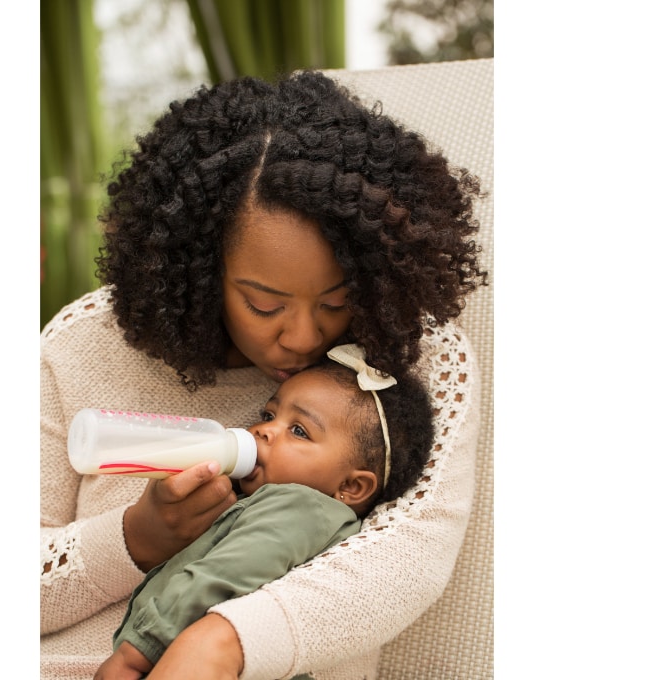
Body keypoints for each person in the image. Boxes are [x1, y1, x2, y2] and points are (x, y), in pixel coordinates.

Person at [40, 69, 487, 680]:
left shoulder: (411, 363)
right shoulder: (81, 346)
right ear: (198, 270)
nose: (305, 338)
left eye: (336, 302)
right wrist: (134, 539)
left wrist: (217, 644)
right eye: (265, 305)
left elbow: (405, 559)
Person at [94, 345, 434, 680]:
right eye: (270, 415)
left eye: (299, 431)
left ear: (352, 487)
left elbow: (225, 574)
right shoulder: (286, 510)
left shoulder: (301, 510)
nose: (262, 430)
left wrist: (142, 649)